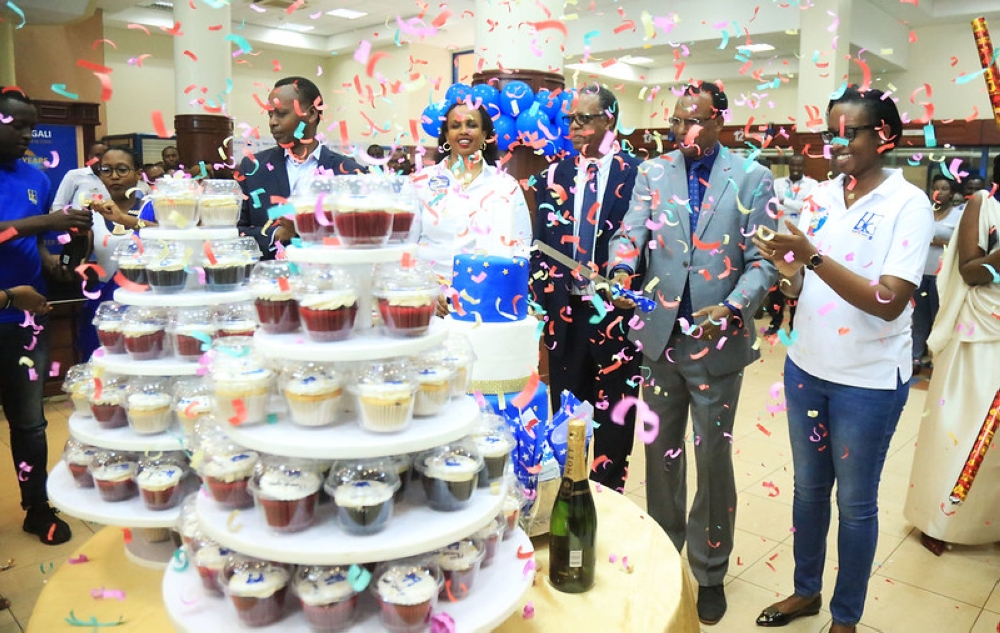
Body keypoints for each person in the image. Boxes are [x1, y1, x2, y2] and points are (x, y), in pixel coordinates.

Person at [752, 85, 932, 633]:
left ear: (885, 136)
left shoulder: (910, 204)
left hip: (868, 383)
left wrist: (813, 255)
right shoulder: (823, 196)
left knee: (855, 505)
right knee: (808, 492)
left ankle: (845, 617)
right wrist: (790, 271)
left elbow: (889, 301)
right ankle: (806, 591)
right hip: (807, 369)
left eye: (847, 132)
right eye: (831, 132)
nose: (835, 144)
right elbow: (807, 281)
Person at [608, 80, 777, 625]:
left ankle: (709, 570)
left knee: (710, 457)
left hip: (717, 342)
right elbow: (630, 233)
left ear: (720, 122)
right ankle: (664, 554)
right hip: (659, 339)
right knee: (662, 456)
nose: (684, 131)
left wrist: (732, 308)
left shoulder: (752, 177)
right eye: (677, 121)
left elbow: (764, 262)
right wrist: (619, 266)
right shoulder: (653, 173)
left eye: (695, 121)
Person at [531, 85, 641, 493]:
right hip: (565, 315)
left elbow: (648, 242)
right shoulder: (552, 176)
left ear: (608, 119)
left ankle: (609, 496)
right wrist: (541, 307)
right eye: (569, 120)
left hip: (618, 316)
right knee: (567, 414)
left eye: (583, 119)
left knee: (615, 416)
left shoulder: (639, 174)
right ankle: (570, 491)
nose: (573, 128)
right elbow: (541, 247)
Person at [0, 86, 91, 546]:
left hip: (25, 323)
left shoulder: (30, 177)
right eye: (15, 125)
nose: (25, 135)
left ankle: (36, 506)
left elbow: (29, 241)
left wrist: (54, 262)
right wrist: (43, 225)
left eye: (30, 127)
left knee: (31, 423)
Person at [903, 179, 1000, 556]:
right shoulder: (983, 204)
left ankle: (986, 520)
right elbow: (972, 271)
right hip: (979, 330)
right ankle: (937, 520)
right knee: (959, 427)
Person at [236, 76, 364, 259]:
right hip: (269, 280)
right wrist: (277, 234)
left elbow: (364, 238)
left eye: (281, 114)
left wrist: (316, 233)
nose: (272, 122)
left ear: (311, 114)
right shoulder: (253, 168)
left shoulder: (349, 172)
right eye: (270, 114)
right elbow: (236, 231)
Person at [414, 101, 531, 300]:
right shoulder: (421, 182)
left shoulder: (506, 186)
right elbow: (406, 246)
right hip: (430, 299)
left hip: (487, 298)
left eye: (472, 125)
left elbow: (521, 249)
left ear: (485, 134)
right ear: (446, 135)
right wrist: (425, 291)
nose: (463, 131)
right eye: (455, 126)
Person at [76, 148, 158, 360]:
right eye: (106, 170)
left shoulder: (152, 206)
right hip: (106, 303)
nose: (114, 176)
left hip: (146, 305)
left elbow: (167, 233)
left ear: (138, 174)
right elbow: (81, 257)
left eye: (122, 169)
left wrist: (122, 218)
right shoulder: (92, 210)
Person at [911, 174, 962, 374]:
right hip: (921, 272)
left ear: (952, 193)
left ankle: (937, 359)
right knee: (919, 318)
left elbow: (962, 244)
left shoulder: (958, 214)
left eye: (945, 188)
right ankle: (915, 357)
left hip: (943, 275)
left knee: (939, 318)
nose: (939, 192)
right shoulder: (924, 212)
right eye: (936, 188)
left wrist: (939, 242)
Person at [764, 153, 817, 335]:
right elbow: (771, 206)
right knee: (777, 288)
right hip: (779, 241)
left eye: (799, 166)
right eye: (792, 166)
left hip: (799, 243)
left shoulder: (813, 185)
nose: (795, 169)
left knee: (798, 284)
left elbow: (807, 208)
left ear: (803, 166)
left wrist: (784, 201)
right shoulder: (778, 183)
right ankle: (775, 323)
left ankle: (794, 325)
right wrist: (792, 204)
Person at [50, 141, 109, 210]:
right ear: (90, 157)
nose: (101, 159)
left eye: (104, 156)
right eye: (97, 155)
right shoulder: (74, 175)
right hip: (80, 220)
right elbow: (59, 205)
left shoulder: (113, 178)